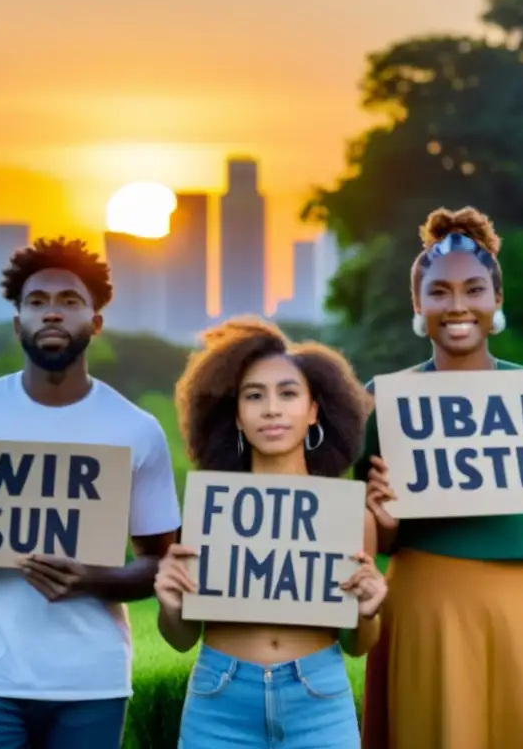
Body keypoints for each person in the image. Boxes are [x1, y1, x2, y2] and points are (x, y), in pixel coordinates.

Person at [0, 237, 182, 749]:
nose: (52, 314)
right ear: (18, 323)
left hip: (91, 682)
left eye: (70, 301)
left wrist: (95, 579)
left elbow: (161, 563)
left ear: (95, 322)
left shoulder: (135, 429)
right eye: (37, 302)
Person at [359, 206, 523, 749]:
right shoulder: (382, 399)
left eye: (473, 290)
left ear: (496, 302)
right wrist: (381, 518)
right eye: (440, 292)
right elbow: (373, 542)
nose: (457, 307)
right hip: (427, 607)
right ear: (418, 304)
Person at [156, 317, 387, 749]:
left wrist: (369, 610)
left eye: (288, 393)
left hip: (318, 701)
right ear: (237, 418)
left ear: (315, 409)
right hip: (219, 699)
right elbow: (182, 638)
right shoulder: (209, 511)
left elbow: (358, 644)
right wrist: (170, 605)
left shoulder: (350, 517)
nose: (272, 409)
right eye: (254, 396)